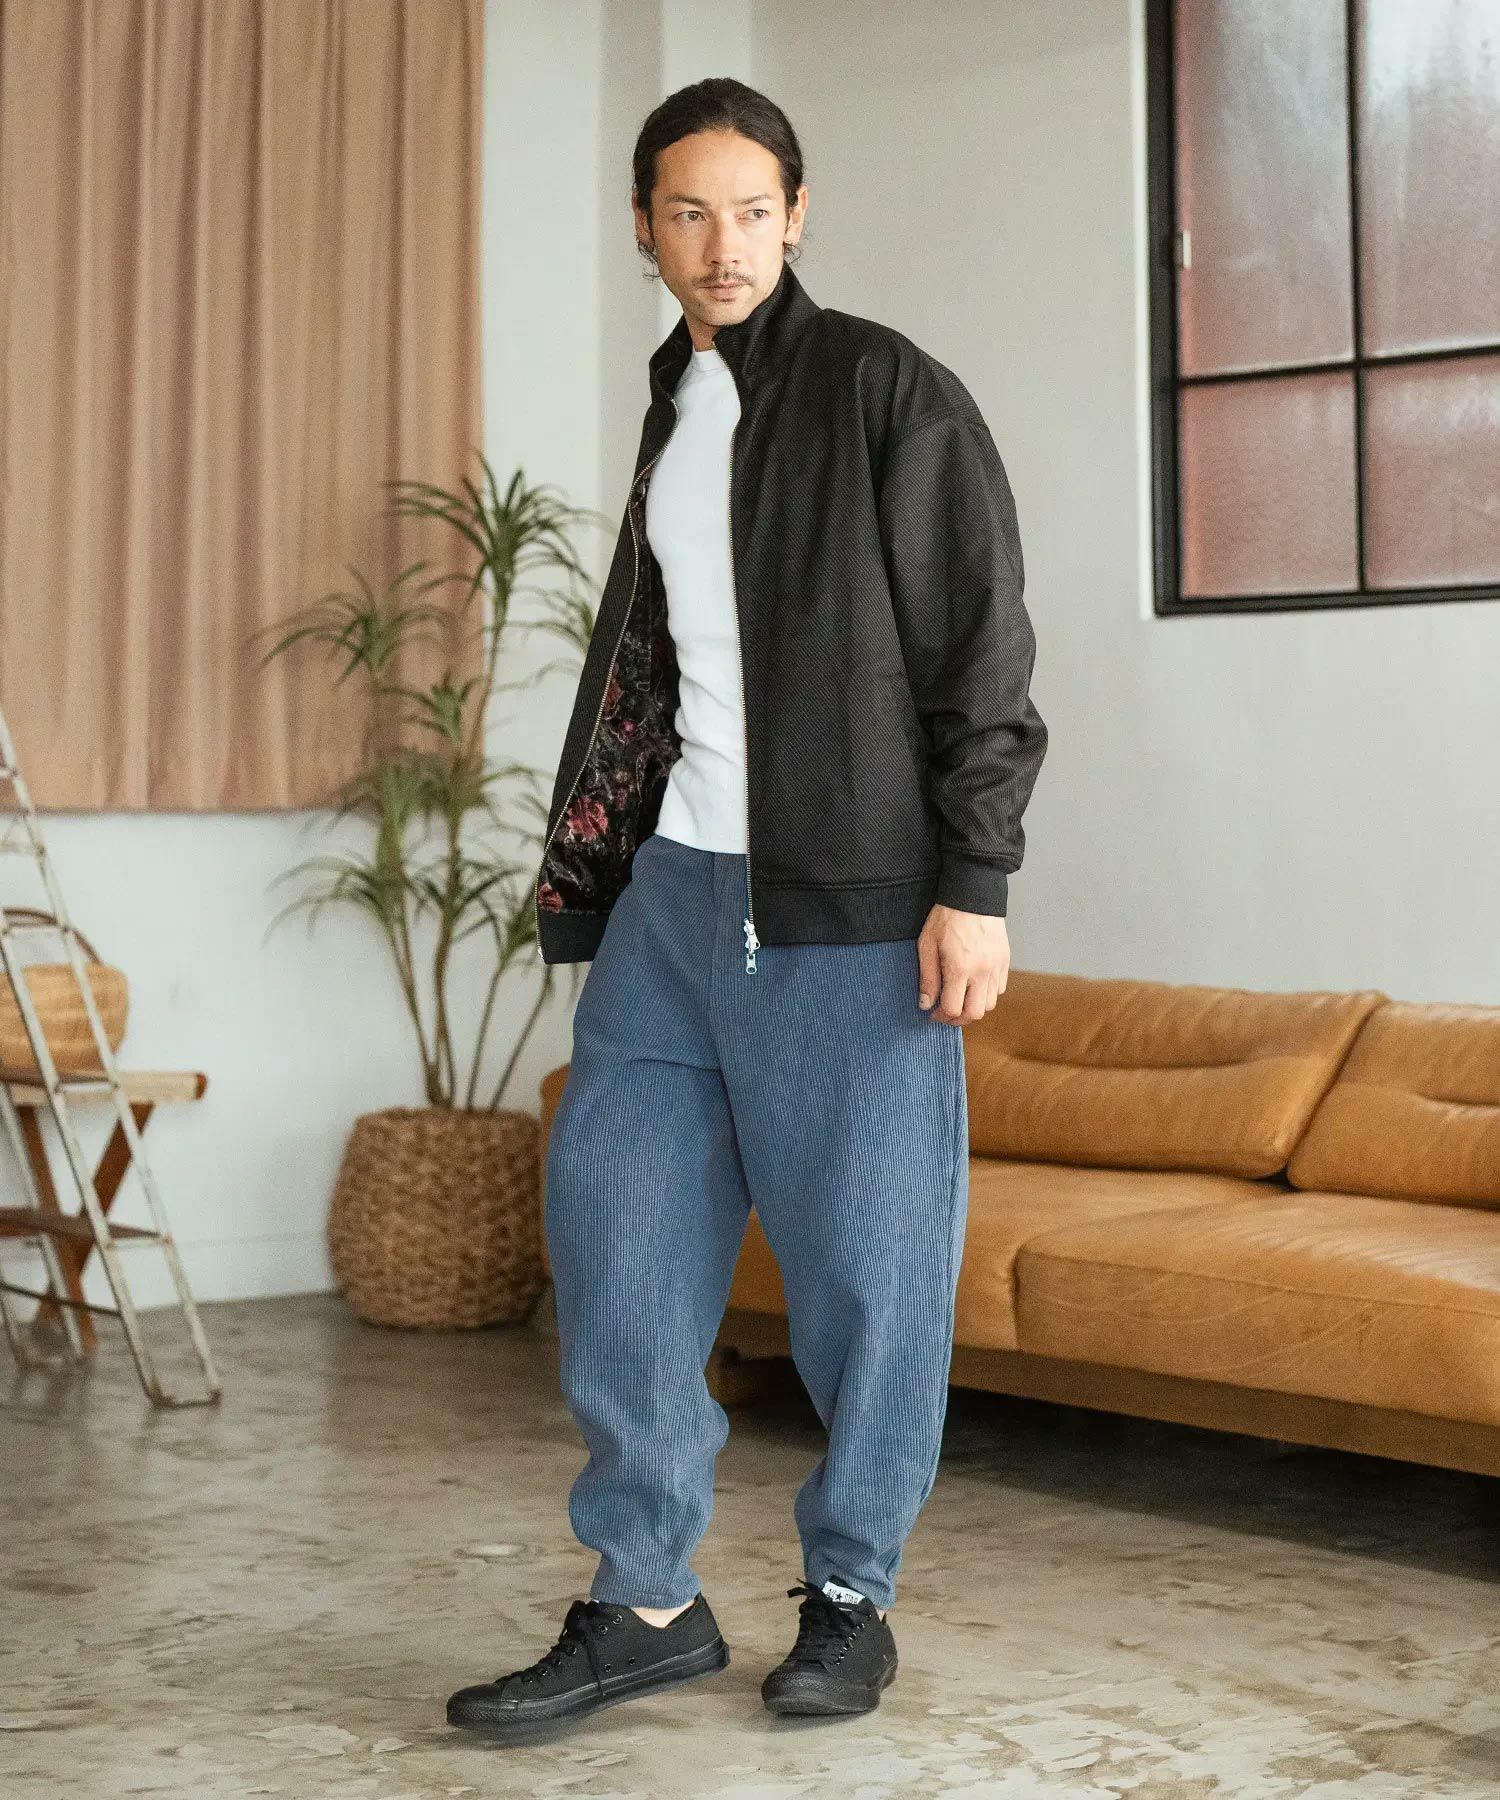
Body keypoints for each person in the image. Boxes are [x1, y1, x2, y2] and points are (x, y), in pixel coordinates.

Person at [448, 75, 1047, 1740]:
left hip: (851, 908)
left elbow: (981, 650)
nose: (722, 244)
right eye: (688, 213)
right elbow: (662, 666)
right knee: (618, 1235)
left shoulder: (883, 389)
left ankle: (851, 1594)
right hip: (673, 898)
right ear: (645, 229)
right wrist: (603, 863)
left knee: (869, 1272)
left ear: (798, 216)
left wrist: (975, 885)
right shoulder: (679, 400)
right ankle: (645, 1596)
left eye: (752, 211)